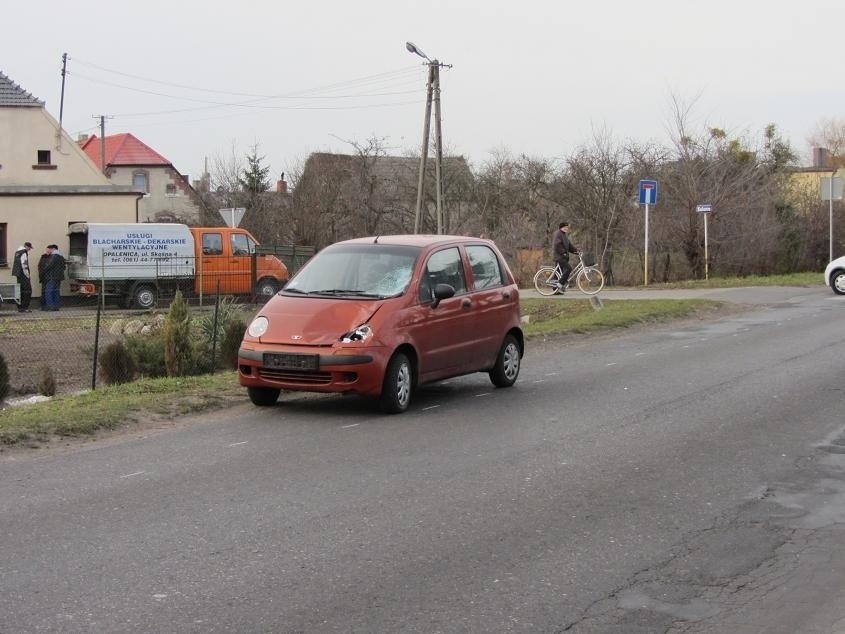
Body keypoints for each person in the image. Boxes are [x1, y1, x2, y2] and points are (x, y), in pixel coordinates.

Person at [552, 222, 579, 292]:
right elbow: (557, 244)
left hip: (563, 257)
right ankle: (560, 284)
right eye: (565, 227)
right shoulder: (558, 234)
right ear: (561, 227)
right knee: (569, 269)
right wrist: (563, 252)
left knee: (558, 274)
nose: (566, 228)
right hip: (559, 256)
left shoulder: (564, 235)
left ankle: (555, 290)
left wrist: (577, 251)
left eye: (567, 227)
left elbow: (570, 246)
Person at [42, 244, 66, 311]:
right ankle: (56, 306)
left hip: (51, 276)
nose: (47, 251)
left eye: (48, 249)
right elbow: (64, 267)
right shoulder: (61, 257)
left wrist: (43, 271)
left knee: (48, 291)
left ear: (52, 249)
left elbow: (49, 266)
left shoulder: (53, 256)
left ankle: (50, 306)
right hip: (59, 277)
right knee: (56, 291)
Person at [11, 241, 33, 312]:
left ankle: (20, 307)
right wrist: (27, 275)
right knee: (27, 290)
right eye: (29, 248)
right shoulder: (23, 252)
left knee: (20, 290)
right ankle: (24, 307)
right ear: (26, 246)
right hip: (23, 274)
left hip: (18, 274)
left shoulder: (17, 252)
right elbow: (24, 265)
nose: (29, 250)